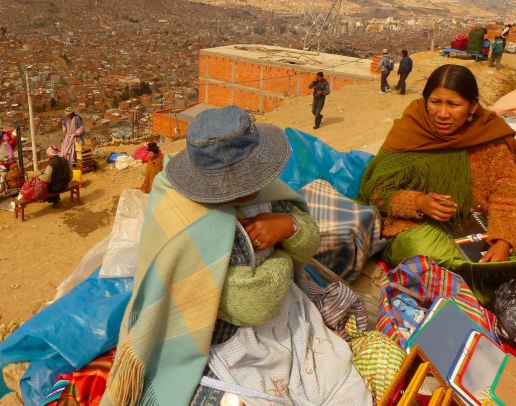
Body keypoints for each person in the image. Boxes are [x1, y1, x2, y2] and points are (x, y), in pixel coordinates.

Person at [102, 105, 371, 406]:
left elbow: (308, 245)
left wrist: (289, 226)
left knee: (341, 384)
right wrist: (282, 254)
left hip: (286, 314)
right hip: (231, 336)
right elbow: (252, 304)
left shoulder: (265, 193)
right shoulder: (187, 218)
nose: (252, 185)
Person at [357, 64, 516, 305]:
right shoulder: (409, 132)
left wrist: (503, 240)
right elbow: (376, 194)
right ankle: (488, 292)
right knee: (441, 263)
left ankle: (487, 290)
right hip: (415, 227)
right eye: (435, 102)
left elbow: (507, 194)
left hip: (478, 223)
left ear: (472, 106)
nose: (442, 113)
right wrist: (418, 202)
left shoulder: (489, 136)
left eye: (453, 104)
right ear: (425, 100)